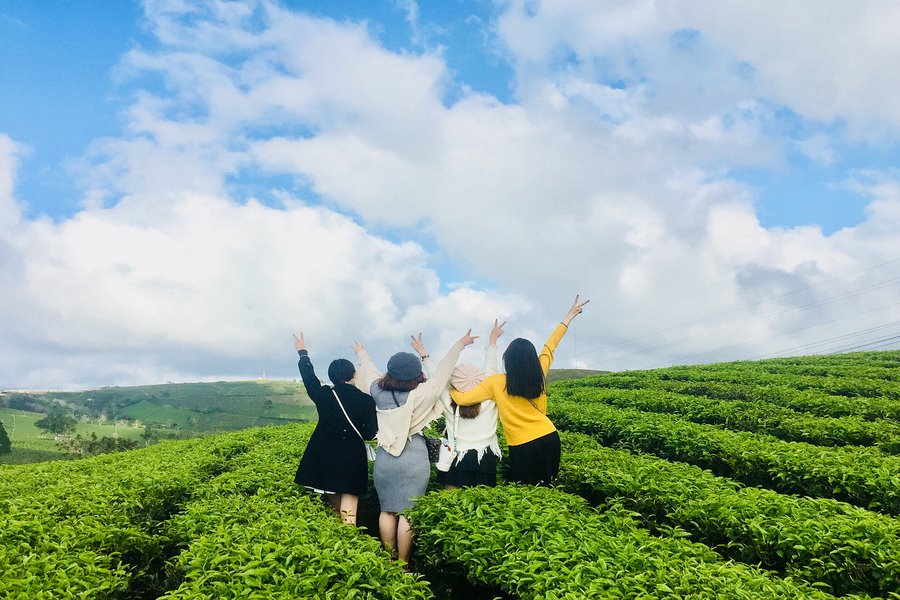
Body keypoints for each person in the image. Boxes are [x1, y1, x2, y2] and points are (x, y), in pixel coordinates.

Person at [353, 329, 478, 563]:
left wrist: (362, 353)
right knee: (408, 514)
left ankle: (389, 560)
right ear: (416, 375)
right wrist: (459, 344)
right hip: (414, 458)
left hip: (386, 458)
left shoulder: (377, 391)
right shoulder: (422, 394)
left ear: (389, 372)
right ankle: (403, 563)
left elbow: (369, 372)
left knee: (387, 510)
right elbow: (442, 372)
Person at [450, 296, 589, 486]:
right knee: (548, 489)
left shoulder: (496, 383)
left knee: (527, 494)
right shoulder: (539, 371)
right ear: (531, 358)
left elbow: (464, 399)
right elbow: (550, 346)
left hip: (522, 445)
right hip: (549, 437)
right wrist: (569, 317)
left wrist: (450, 388)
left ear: (508, 360)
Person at [292, 332, 377, 525]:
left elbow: (309, 378)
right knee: (350, 492)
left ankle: (338, 530)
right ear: (353, 375)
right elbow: (371, 432)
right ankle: (349, 534)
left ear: (331, 377)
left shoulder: (324, 395)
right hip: (353, 452)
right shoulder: (365, 400)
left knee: (331, 489)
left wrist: (302, 353)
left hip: (325, 450)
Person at [411, 319, 505, 489]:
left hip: (456, 455)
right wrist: (493, 340)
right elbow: (491, 369)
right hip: (485, 456)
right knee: (483, 505)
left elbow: (437, 377)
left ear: (453, 382)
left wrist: (423, 353)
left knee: (452, 503)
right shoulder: (490, 399)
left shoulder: (448, 400)